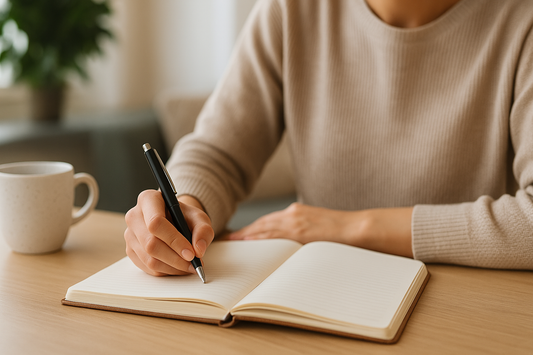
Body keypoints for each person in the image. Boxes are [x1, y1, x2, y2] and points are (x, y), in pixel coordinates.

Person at [124, 0, 533, 276]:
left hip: (466, 299)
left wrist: (351, 227)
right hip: (321, 287)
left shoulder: (521, 21)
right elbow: (218, 153)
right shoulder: (293, 9)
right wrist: (185, 206)